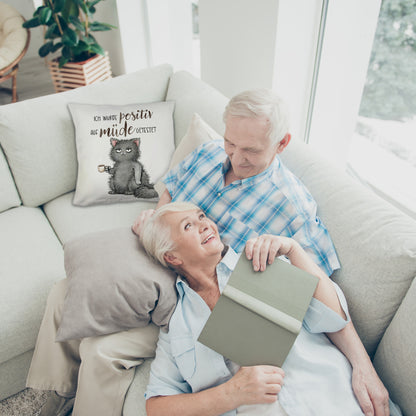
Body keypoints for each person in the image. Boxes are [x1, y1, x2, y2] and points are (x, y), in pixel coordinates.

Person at [133, 89, 389, 414]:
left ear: (281, 144)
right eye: (231, 143)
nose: (236, 158)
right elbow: (172, 187)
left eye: (250, 150)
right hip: (169, 288)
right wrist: (159, 226)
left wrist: (363, 366)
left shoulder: (287, 219)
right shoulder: (209, 154)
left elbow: (323, 301)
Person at [140, 202, 398, 416]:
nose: (205, 224)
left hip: (338, 401)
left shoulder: (261, 261)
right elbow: (157, 407)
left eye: (201, 216)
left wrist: (294, 250)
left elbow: (333, 318)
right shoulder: (177, 327)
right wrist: (231, 393)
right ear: (172, 257)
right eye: (188, 226)